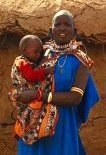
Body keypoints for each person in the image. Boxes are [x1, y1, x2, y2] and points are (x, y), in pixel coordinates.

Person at [9, 10, 100, 155]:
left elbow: (75, 97)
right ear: (51, 31)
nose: (62, 28)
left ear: (74, 31)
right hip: (32, 127)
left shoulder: (81, 60)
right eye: (58, 24)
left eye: (67, 25)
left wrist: (39, 95)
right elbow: (22, 74)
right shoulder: (41, 52)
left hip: (63, 125)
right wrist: (20, 94)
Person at [9, 34, 58, 144]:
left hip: (26, 93)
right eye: (36, 52)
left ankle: (21, 130)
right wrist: (46, 71)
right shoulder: (22, 62)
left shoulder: (28, 60)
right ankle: (20, 131)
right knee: (28, 113)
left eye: (40, 52)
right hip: (22, 92)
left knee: (27, 113)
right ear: (24, 51)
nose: (39, 55)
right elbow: (30, 76)